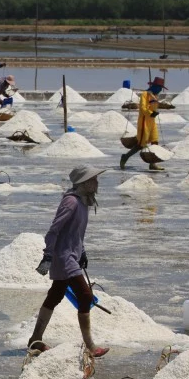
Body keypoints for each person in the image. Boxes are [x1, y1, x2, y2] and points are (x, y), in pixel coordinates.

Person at [28, 165, 109, 358]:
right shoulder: (71, 202)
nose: (97, 183)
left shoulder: (84, 202)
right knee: (86, 296)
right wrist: (48, 255)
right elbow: (54, 230)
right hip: (63, 257)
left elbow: (76, 234)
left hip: (72, 255)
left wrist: (82, 252)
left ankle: (35, 340)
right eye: (94, 180)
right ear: (84, 183)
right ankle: (90, 346)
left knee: (55, 295)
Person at [120, 77, 166, 171]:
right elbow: (143, 108)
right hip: (144, 122)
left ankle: (152, 164)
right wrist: (151, 113)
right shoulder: (144, 95)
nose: (160, 90)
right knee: (141, 144)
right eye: (159, 88)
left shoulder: (154, 96)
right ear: (154, 86)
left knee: (155, 142)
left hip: (152, 122)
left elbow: (155, 106)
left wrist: (154, 105)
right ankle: (125, 157)